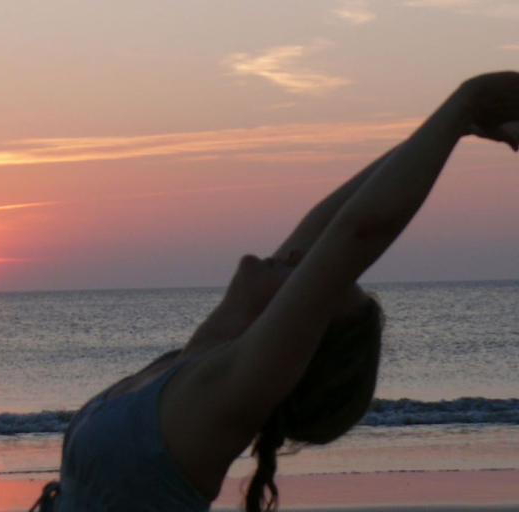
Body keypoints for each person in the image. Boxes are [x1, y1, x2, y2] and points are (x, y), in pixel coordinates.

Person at [30, 72, 519, 512]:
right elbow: (329, 227)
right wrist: (454, 125)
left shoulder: (219, 398)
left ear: (292, 326)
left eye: (311, 278)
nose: (296, 255)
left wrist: (464, 100)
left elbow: (355, 236)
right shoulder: (201, 358)